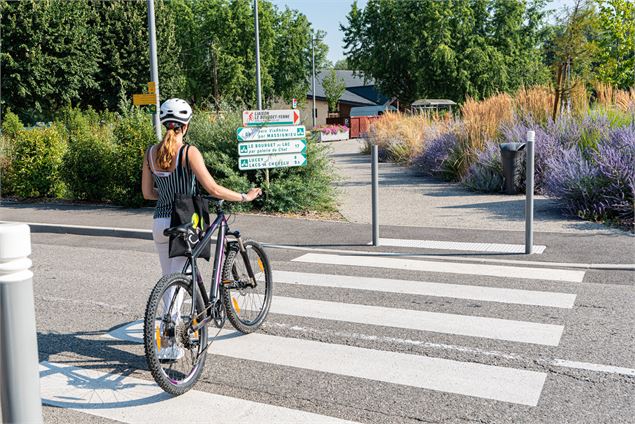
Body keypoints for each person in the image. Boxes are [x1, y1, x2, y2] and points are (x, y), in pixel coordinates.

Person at [141, 98, 261, 359]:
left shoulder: (151, 152)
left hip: (160, 222)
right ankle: (170, 345)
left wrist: (168, 191)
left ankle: (170, 337)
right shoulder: (188, 152)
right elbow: (213, 189)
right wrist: (245, 196)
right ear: (186, 125)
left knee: (169, 281)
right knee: (177, 284)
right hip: (184, 221)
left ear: (164, 124)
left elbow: (148, 193)